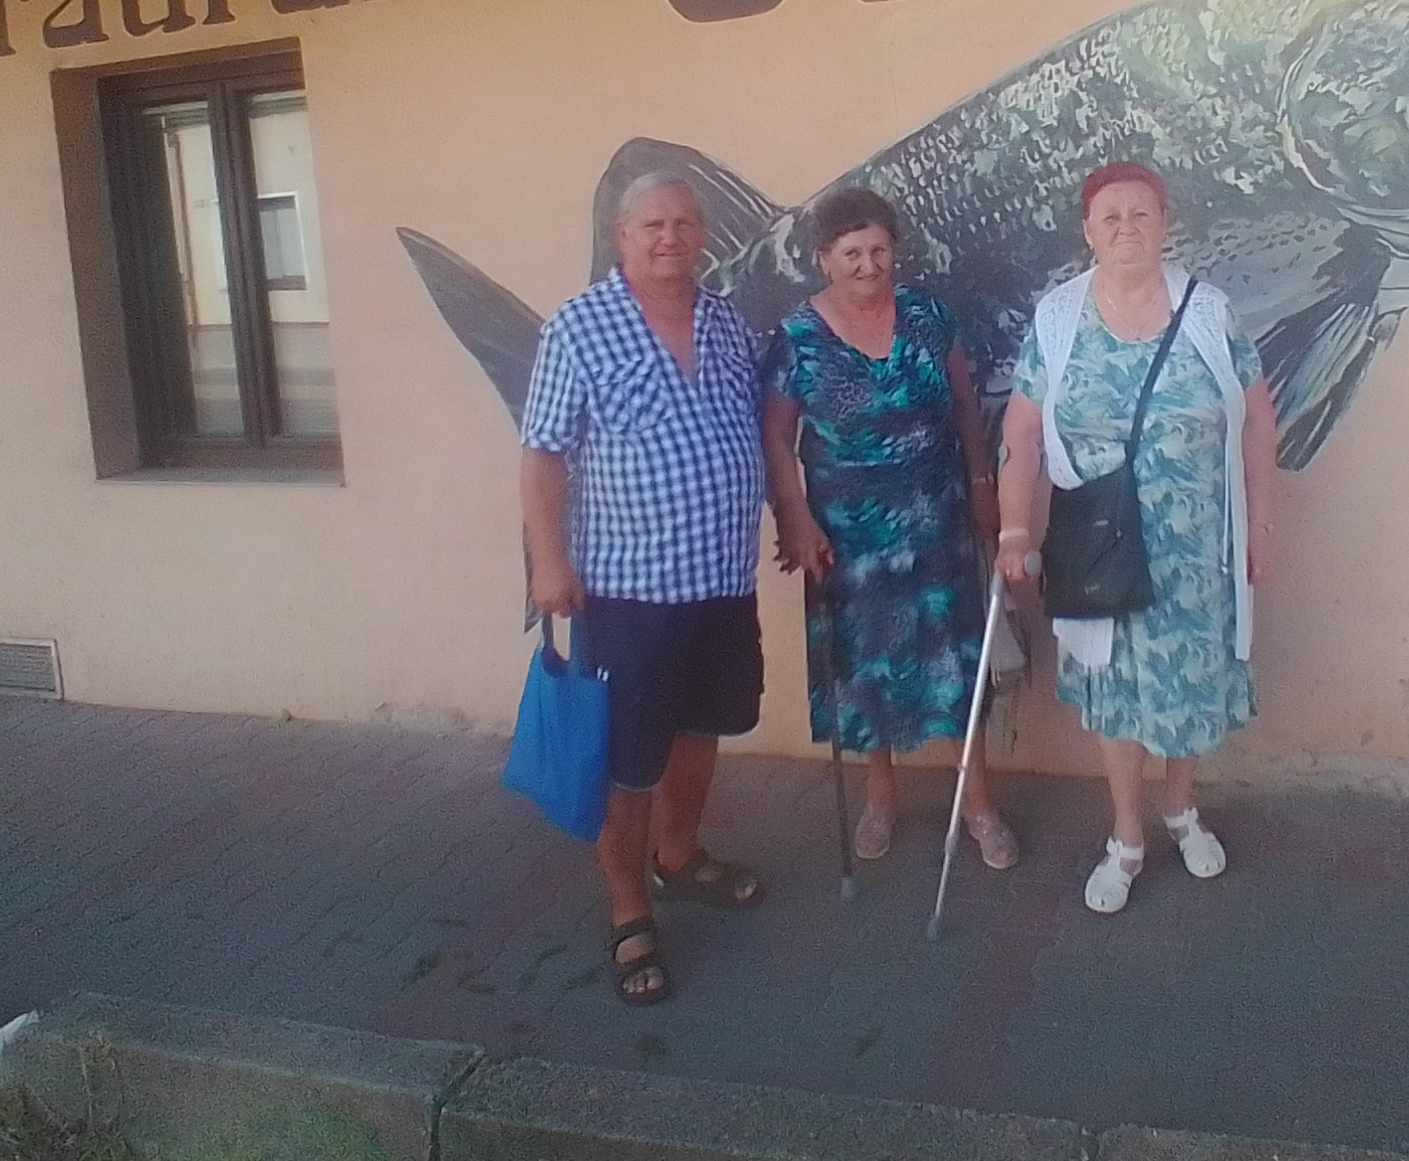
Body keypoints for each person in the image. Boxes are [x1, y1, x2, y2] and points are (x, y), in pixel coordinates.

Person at [995, 161, 1279, 914]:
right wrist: (1015, 527)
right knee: (1115, 691)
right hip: (1099, 546)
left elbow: (1258, 418)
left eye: (1142, 214)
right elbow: (1021, 430)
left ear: (1165, 225)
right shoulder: (1059, 317)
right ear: (1089, 232)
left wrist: (1260, 522)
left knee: (1191, 685)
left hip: (1197, 547)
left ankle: (1180, 807)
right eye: (1111, 216)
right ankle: (1126, 835)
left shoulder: (1209, 311)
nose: (1127, 227)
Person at [520, 173, 770, 1008]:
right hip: (628, 592)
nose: (670, 237)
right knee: (626, 759)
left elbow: (752, 430)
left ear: (702, 234)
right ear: (623, 237)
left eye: (684, 223)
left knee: (703, 727)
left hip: (722, 581)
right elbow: (542, 453)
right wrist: (548, 561)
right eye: (652, 225)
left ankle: (680, 856)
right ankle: (629, 908)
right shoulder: (579, 327)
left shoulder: (726, 322)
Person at [760, 187, 1016, 868]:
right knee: (865, 666)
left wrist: (982, 484)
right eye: (852, 253)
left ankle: (978, 804)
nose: (868, 265)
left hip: (938, 522)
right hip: (849, 536)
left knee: (957, 664)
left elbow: (964, 405)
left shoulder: (928, 315)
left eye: (878, 250)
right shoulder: (797, 337)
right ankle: (880, 799)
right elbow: (776, 436)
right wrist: (796, 518)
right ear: (824, 259)